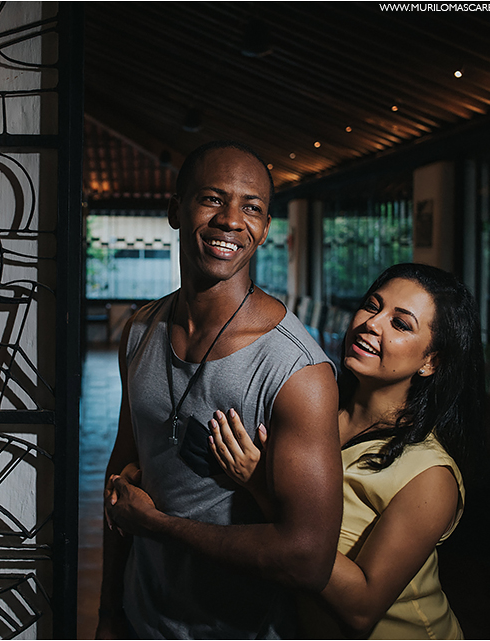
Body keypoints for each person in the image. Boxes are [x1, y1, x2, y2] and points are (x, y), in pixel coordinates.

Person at [97, 141, 343, 639]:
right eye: (212, 199)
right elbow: (121, 487)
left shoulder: (297, 371)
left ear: (266, 229)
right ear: (175, 210)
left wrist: (159, 526)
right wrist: (108, 614)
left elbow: (309, 561)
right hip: (142, 620)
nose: (232, 219)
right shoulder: (142, 331)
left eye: (251, 207)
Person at [209, 263, 485, 639]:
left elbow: (361, 609)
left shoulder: (430, 475)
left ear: (430, 361)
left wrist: (263, 488)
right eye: (372, 306)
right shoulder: (313, 415)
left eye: (400, 324)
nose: (373, 323)